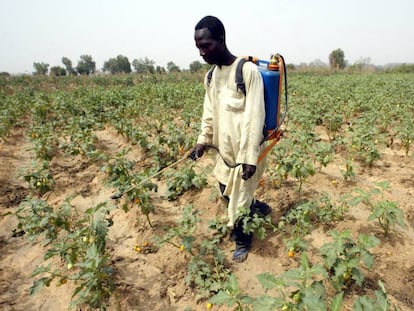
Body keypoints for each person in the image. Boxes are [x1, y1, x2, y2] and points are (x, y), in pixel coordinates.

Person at [190, 15, 271, 263]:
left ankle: (242, 240)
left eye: (206, 46)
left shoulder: (247, 72)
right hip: (224, 153)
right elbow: (209, 113)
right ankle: (259, 207)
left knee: (240, 200)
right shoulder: (211, 77)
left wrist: (249, 158)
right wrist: (202, 141)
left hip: (248, 150)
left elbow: (255, 117)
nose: (202, 53)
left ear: (221, 40)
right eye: (198, 47)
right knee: (225, 190)